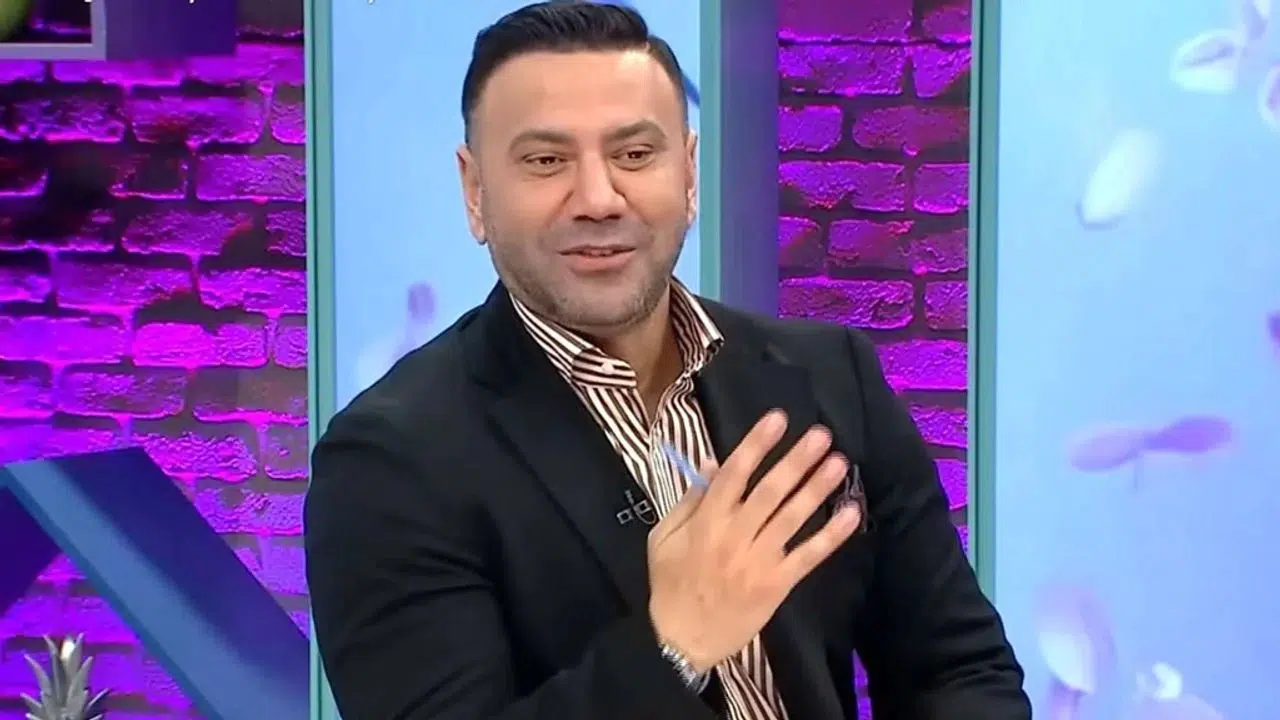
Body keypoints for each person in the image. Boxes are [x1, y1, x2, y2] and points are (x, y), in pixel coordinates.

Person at [304, 2, 1032, 719]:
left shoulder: (831, 375)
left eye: (634, 155)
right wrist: (676, 644)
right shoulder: (389, 461)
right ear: (475, 192)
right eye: (546, 161)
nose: (598, 199)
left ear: (688, 173)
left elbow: (958, 669)